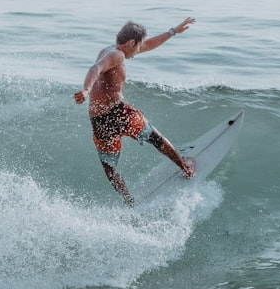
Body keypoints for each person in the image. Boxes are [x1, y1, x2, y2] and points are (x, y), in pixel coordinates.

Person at [74, 18, 197, 206]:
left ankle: (128, 201)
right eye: (137, 46)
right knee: (156, 139)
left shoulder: (108, 51)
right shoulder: (118, 56)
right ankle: (185, 167)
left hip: (99, 120)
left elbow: (147, 45)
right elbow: (95, 68)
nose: (139, 50)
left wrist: (172, 32)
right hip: (118, 113)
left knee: (109, 167)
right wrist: (86, 89)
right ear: (131, 43)